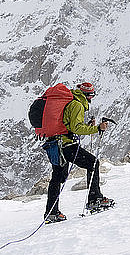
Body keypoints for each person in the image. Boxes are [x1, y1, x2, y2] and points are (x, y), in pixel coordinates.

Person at [43, 82, 114, 223]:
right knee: (93, 163)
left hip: (56, 144)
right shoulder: (77, 105)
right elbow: (76, 129)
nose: (92, 98)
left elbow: (70, 125)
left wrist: (87, 126)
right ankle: (95, 199)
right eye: (91, 95)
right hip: (66, 145)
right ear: (87, 95)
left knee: (57, 177)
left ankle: (52, 212)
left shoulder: (73, 102)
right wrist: (97, 128)